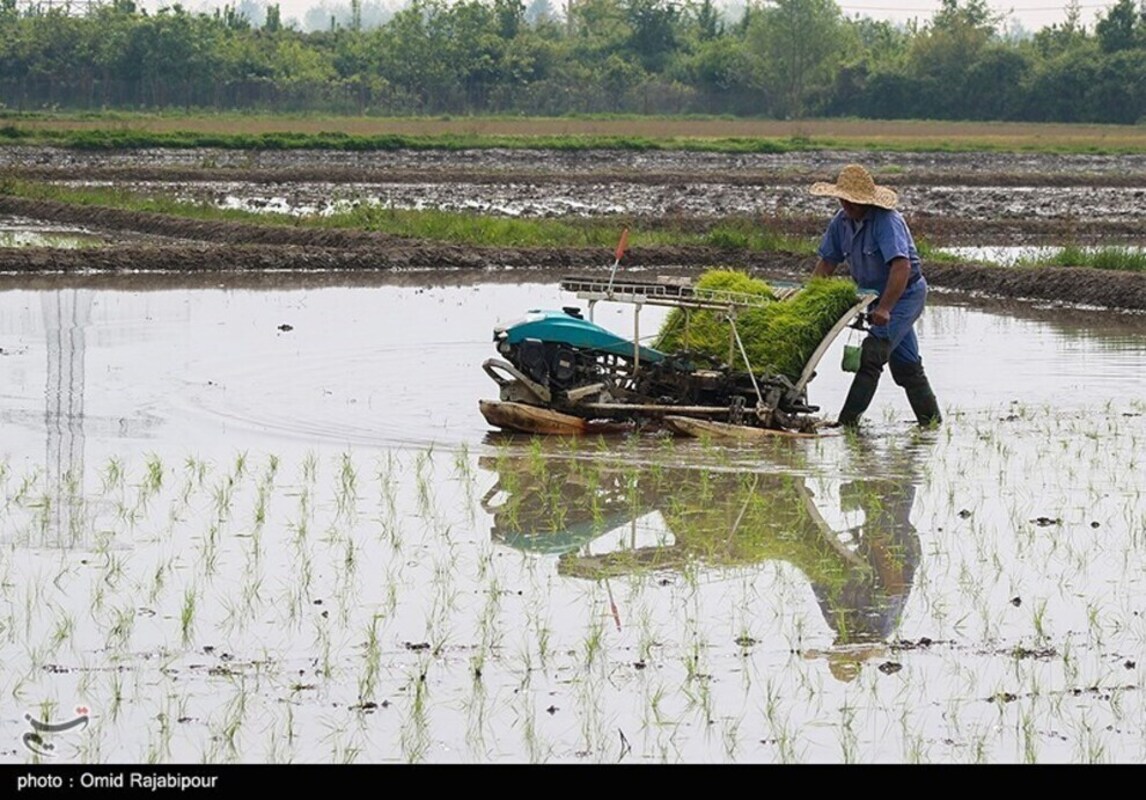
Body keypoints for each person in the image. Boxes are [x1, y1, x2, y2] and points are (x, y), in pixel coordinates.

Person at [809, 164, 941, 428]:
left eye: (854, 202)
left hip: (904, 295)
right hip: (874, 298)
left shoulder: (886, 221)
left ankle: (847, 425)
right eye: (844, 201)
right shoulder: (841, 222)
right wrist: (809, 299)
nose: (848, 206)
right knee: (906, 367)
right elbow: (827, 263)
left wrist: (886, 308)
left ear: (867, 201)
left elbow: (901, 267)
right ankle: (932, 425)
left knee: (872, 354)